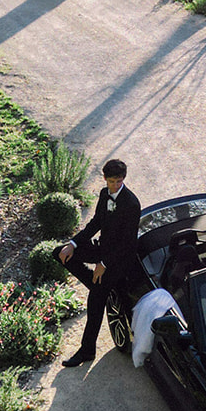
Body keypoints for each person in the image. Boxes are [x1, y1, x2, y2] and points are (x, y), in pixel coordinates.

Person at [56, 157, 141, 368]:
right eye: (111, 181)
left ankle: (87, 350)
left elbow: (127, 244)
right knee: (60, 252)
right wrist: (74, 244)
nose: (115, 185)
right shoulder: (104, 194)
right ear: (104, 179)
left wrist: (103, 264)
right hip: (102, 248)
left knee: (95, 301)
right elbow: (96, 223)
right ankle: (98, 285)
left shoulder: (132, 203)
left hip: (119, 260)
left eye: (118, 181)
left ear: (124, 179)